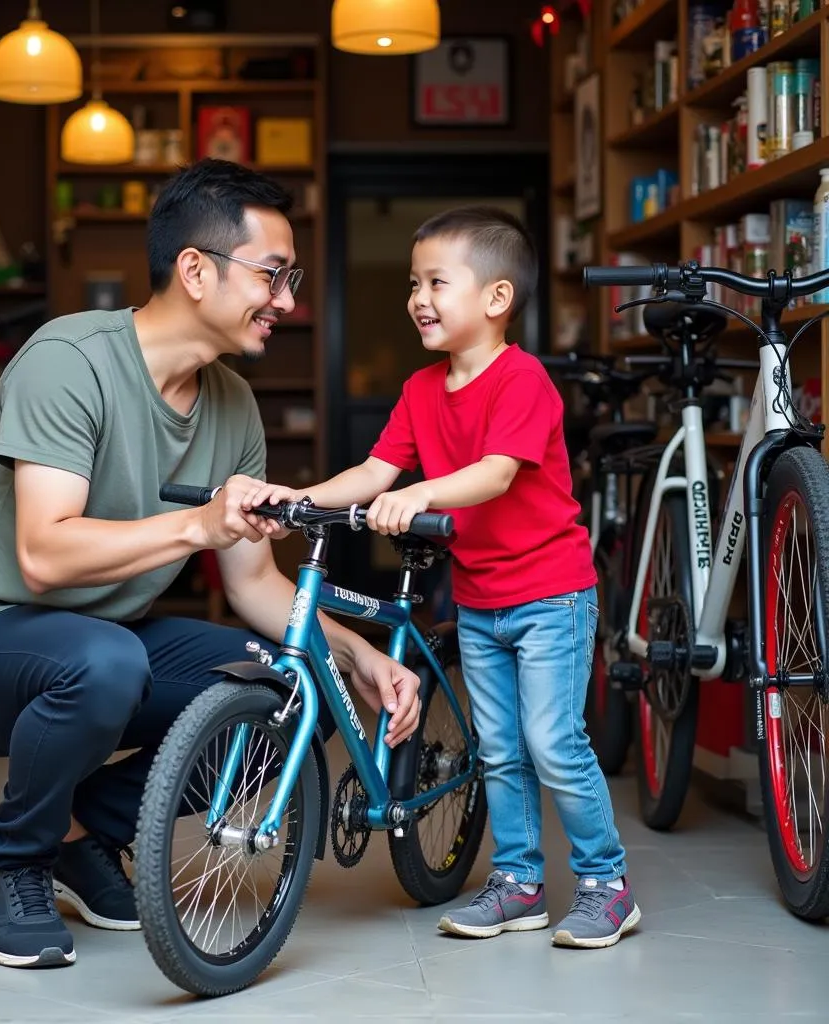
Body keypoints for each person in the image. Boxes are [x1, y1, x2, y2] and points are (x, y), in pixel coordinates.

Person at [0, 158, 421, 970]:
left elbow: (256, 584)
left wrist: (355, 655)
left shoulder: (233, 404)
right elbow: (43, 555)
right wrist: (194, 525)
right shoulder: (68, 361)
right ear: (195, 271)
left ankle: (83, 835)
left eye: (293, 278)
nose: (287, 299)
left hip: (100, 644)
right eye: (273, 275)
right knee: (102, 663)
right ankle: (16, 861)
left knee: (292, 684)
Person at [245, 205, 641, 950]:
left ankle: (605, 883)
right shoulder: (423, 389)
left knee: (551, 739)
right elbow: (374, 471)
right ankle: (519, 883)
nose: (417, 297)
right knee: (495, 746)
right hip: (481, 600)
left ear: (495, 299)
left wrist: (423, 493)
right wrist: (296, 499)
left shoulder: (522, 381)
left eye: (436, 281)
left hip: (551, 594)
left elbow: (495, 474)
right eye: (412, 283)